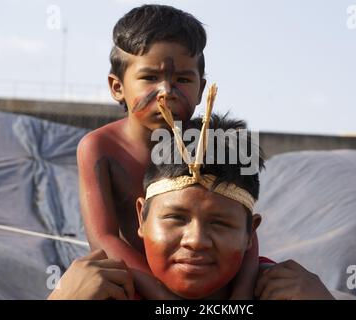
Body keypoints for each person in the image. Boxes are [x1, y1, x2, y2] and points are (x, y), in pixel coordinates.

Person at [76, 4, 256, 299]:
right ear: (117, 87)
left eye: (183, 80)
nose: (166, 92)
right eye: (149, 78)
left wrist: (243, 294)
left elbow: (245, 224)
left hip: (212, 277)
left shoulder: (220, 141)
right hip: (137, 278)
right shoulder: (99, 148)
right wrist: (163, 299)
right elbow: (103, 237)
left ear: (201, 90)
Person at [49, 114, 334, 300]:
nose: (196, 241)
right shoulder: (100, 292)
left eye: (220, 223)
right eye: (175, 218)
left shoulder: (285, 293)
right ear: (141, 217)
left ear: (250, 233)